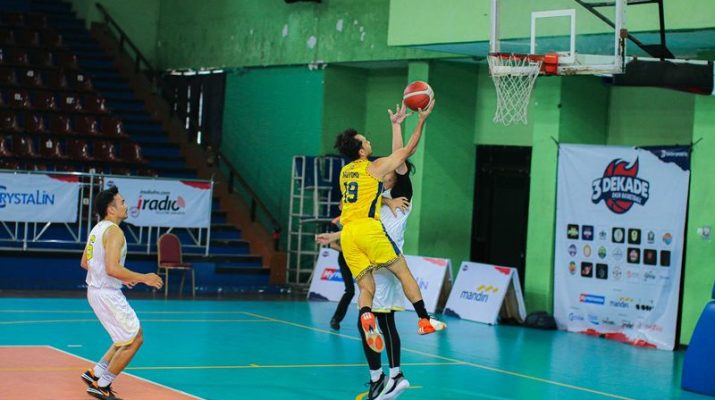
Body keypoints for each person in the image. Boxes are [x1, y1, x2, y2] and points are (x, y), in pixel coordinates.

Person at [324, 99, 445, 399]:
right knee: (384, 313)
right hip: (372, 242)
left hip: (360, 242)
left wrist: (401, 125)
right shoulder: (377, 180)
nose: (388, 165)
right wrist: (410, 123)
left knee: (377, 313)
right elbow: (383, 178)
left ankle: (387, 376)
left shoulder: (394, 186)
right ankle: (391, 371)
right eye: (367, 142)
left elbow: (401, 157)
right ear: (362, 151)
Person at [80, 186, 163, 400]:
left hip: (95, 291)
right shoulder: (114, 231)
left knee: (122, 337)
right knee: (135, 339)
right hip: (107, 294)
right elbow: (111, 268)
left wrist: (121, 277)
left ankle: (95, 373)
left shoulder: (97, 228)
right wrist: (143, 277)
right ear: (111, 209)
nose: (126, 206)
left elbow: (85, 262)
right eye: (122, 202)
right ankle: (102, 385)